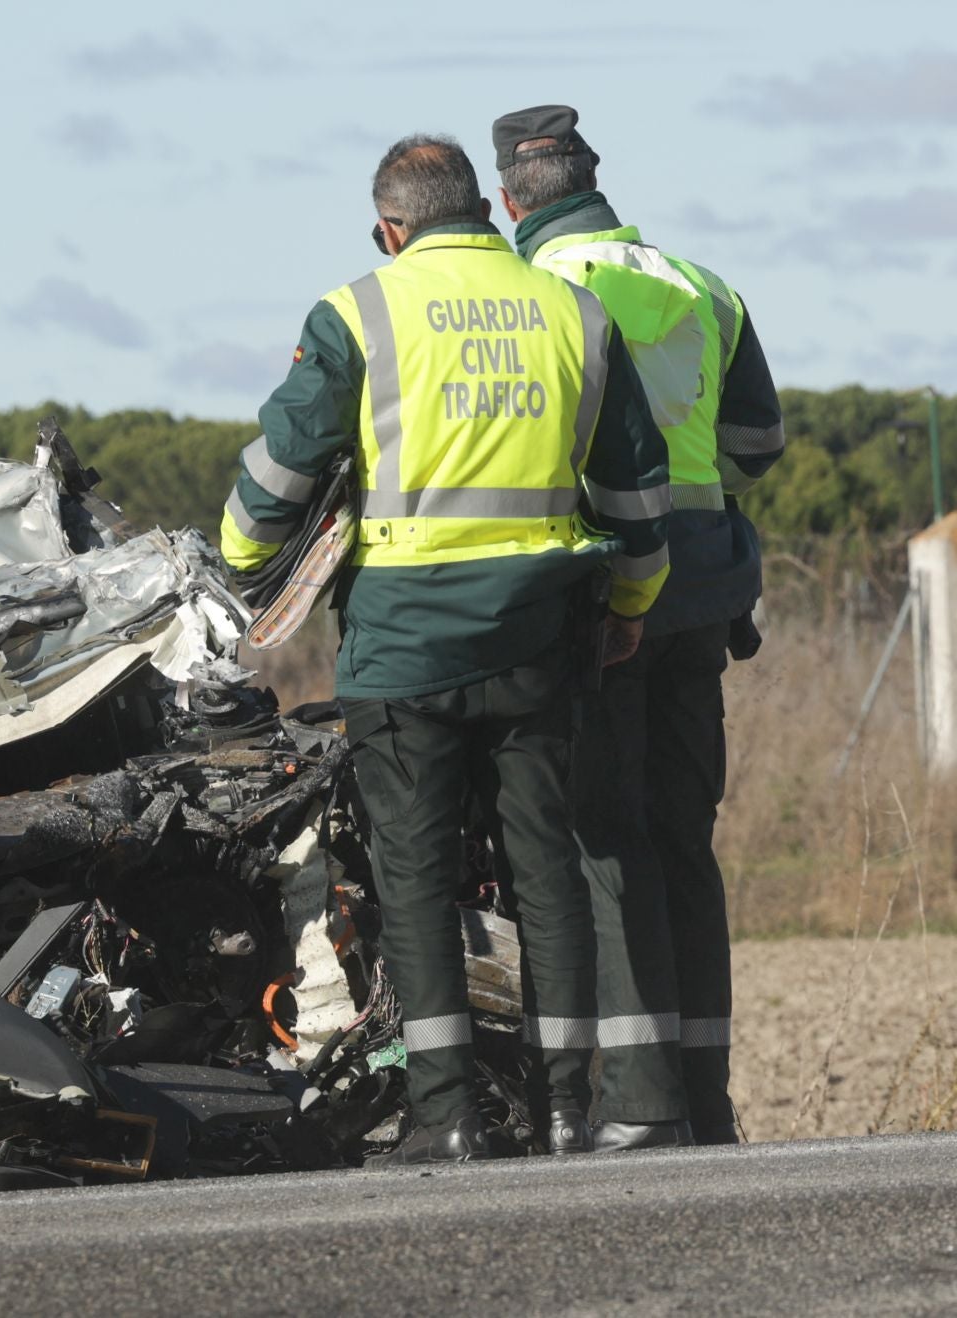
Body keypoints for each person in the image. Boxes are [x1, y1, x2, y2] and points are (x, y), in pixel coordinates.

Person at [222, 134, 672, 1165]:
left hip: (404, 646)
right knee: (546, 869)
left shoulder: (357, 313)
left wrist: (239, 558)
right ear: (486, 211)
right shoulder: (575, 312)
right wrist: (634, 599)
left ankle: (449, 1116)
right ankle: (567, 1110)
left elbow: (281, 473)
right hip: (540, 637)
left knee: (415, 880)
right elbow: (636, 495)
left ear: (391, 229)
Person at [491, 106, 784, 1150]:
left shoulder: (530, 296)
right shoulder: (700, 283)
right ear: (594, 181)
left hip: (598, 600)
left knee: (607, 846)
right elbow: (756, 443)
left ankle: (642, 1103)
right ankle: (708, 1102)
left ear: (513, 201)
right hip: (702, 597)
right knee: (684, 841)